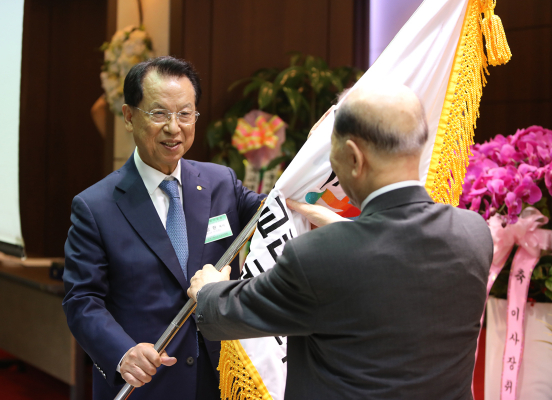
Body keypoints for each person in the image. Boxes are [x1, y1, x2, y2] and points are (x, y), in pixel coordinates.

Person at [187, 84, 493, 399]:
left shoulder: (320, 257)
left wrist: (208, 290)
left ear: (354, 157)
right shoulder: (474, 233)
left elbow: (233, 312)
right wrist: (348, 229)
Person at [63, 56, 264, 400]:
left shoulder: (221, 183)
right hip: (147, 382)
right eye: (159, 114)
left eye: (185, 114)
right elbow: (82, 300)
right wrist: (122, 353)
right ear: (129, 116)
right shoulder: (95, 206)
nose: (174, 127)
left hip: (219, 378)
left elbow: (273, 210)